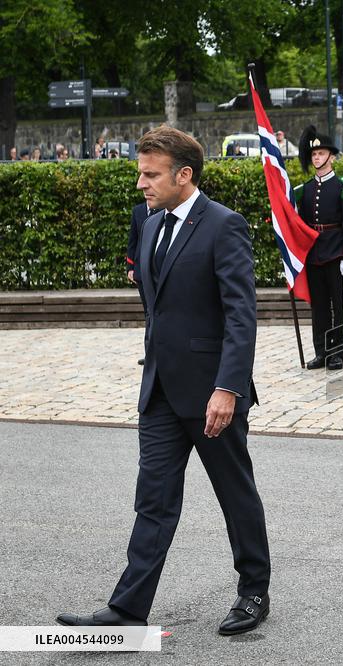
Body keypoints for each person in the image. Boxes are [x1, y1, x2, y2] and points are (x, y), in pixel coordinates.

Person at [57, 125, 270, 635]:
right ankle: (129, 610)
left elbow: (241, 316)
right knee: (153, 501)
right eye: (140, 174)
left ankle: (253, 591)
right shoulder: (150, 225)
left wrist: (228, 388)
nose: (141, 184)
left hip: (212, 393)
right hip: (158, 391)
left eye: (150, 175)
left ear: (184, 175)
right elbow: (155, 306)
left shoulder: (225, 226)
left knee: (234, 493)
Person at [296, 125, 343, 371]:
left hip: (336, 253)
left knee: (338, 307)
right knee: (319, 307)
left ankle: (337, 352)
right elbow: (298, 225)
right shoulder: (305, 189)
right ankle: (321, 352)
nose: (317, 158)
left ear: (331, 157)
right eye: (313, 155)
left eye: (321, 154)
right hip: (314, 255)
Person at [126, 201, 161, 365]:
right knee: (148, 313)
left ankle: (160, 352)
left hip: (159, 269)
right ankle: (150, 354)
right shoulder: (137, 211)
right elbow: (133, 240)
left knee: (158, 312)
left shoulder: (164, 209)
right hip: (141, 271)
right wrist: (130, 267)